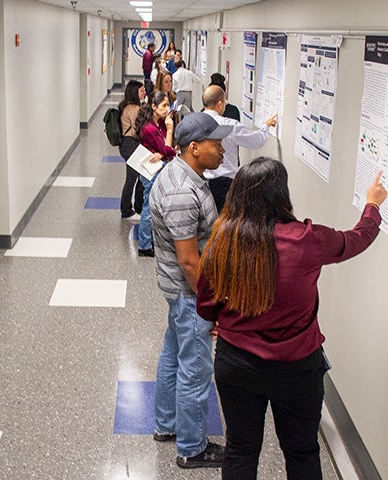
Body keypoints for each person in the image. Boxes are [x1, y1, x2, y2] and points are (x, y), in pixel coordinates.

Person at [197, 159, 387, 480]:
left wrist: (224, 322)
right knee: (302, 452)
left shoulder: (223, 240)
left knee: (241, 450)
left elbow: (205, 305)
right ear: (281, 194)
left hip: (236, 363)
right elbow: (357, 239)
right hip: (297, 369)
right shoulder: (307, 240)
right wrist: (371, 206)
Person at [149, 112, 233, 469]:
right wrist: (209, 304)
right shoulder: (183, 193)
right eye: (216, 145)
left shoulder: (184, 174)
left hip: (178, 292)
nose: (223, 151)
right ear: (195, 148)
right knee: (195, 369)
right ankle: (191, 447)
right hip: (188, 293)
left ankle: (166, 426)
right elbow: (188, 261)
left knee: (174, 354)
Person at [202, 85, 277, 212]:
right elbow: (256, 141)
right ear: (220, 104)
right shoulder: (229, 125)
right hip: (224, 185)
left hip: (201, 183)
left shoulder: (194, 122)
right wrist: (266, 126)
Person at [134, 90, 176, 257]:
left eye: (168, 105)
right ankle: (144, 246)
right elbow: (169, 149)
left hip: (159, 167)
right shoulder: (150, 128)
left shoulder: (158, 124)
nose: (167, 109)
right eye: (164, 105)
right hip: (151, 172)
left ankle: (150, 239)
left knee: (155, 207)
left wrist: (164, 152)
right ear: (153, 106)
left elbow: (167, 149)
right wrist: (170, 130)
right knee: (148, 208)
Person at [118, 80, 146, 219]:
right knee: (133, 178)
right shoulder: (134, 109)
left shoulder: (125, 106)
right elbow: (137, 131)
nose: (144, 92)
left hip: (126, 144)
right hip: (131, 144)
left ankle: (134, 207)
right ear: (135, 92)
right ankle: (128, 210)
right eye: (141, 90)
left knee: (138, 176)